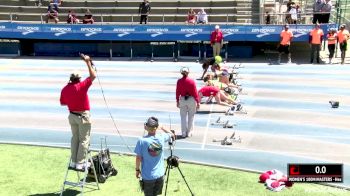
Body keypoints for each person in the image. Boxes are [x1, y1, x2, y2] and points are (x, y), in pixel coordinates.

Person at [60, 54, 96, 170]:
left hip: (72, 116)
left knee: (75, 138)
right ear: (79, 79)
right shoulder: (81, 86)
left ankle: (73, 161)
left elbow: (62, 102)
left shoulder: (65, 89)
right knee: (84, 140)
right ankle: (80, 163)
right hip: (83, 116)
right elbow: (93, 75)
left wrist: (72, 101)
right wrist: (87, 62)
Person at [134, 117, 175, 196]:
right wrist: (162, 127)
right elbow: (171, 134)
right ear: (157, 127)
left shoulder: (141, 141)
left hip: (148, 176)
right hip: (160, 175)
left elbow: (138, 158)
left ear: (146, 127)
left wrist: (137, 170)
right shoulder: (162, 137)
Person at [176, 67, 200, 138]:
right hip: (191, 99)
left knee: (183, 117)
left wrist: (177, 101)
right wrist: (198, 102)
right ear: (188, 72)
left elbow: (177, 92)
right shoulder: (191, 81)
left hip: (182, 99)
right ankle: (189, 132)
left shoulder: (179, 81)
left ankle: (183, 132)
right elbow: (195, 92)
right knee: (191, 116)